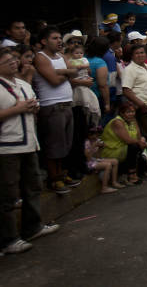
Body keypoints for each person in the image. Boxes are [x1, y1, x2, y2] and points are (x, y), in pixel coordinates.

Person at [0, 47, 60, 256]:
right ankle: (8, 239)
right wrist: (17, 109)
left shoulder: (23, 84)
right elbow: (14, 110)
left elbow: (33, 106)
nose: (13, 63)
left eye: (14, 60)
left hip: (29, 143)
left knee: (33, 186)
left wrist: (33, 107)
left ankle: (33, 226)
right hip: (6, 146)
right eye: (7, 61)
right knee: (7, 194)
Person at [33, 26, 86, 194]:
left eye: (59, 38)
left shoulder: (61, 57)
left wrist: (63, 72)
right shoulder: (40, 58)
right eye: (54, 38)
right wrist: (68, 72)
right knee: (53, 144)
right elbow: (54, 81)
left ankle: (62, 173)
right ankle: (54, 178)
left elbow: (74, 73)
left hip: (66, 104)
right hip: (52, 105)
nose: (58, 41)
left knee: (65, 143)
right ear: (44, 41)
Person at [121, 43, 147, 176]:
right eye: (137, 53)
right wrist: (140, 104)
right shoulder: (130, 69)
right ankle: (142, 167)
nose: (140, 55)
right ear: (132, 56)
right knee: (144, 137)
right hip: (140, 108)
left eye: (142, 52)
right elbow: (126, 90)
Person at [100, 101, 146, 185]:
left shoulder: (132, 120)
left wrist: (142, 139)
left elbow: (138, 136)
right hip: (113, 150)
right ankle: (131, 175)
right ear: (121, 113)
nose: (131, 114)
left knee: (143, 142)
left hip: (124, 148)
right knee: (134, 146)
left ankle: (145, 168)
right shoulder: (117, 122)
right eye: (128, 112)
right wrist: (139, 141)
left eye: (133, 111)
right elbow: (127, 140)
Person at [84, 126, 124, 193]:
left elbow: (98, 156)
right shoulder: (86, 143)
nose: (95, 137)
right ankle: (104, 188)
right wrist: (93, 146)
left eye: (96, 135)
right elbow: (88, 158)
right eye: (94, 135)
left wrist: (100, 148)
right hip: (88, 163)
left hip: (94, 159)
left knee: (115, 161)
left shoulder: (96, 141)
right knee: (108, 165)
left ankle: (114, 182)